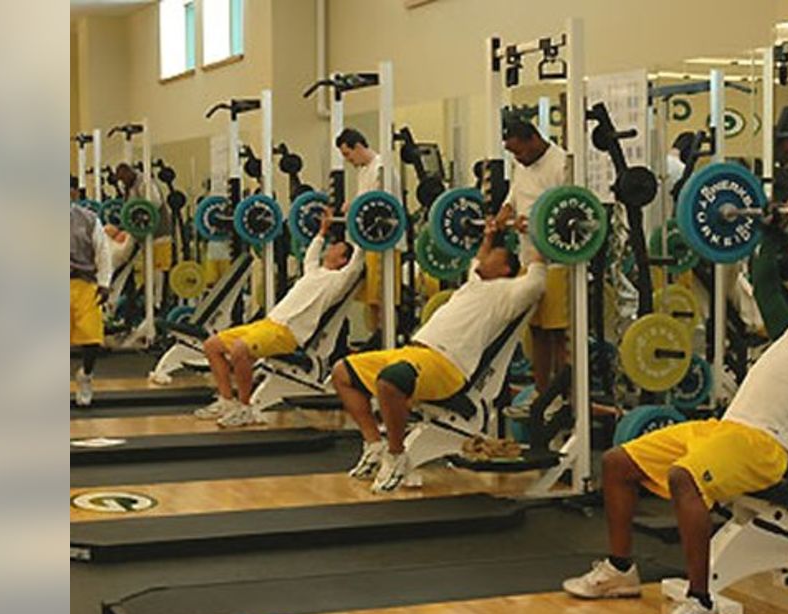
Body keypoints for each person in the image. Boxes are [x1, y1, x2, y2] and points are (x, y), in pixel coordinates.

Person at [561, 205, 788, 614]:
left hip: (767, 447)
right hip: (723, 427)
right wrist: (771, 235)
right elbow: (768, 285)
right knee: (618, 463)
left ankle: (702, 606)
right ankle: (621, 570)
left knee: (684, 479)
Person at [333, 229, 545, 491]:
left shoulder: (511, 293)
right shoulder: (474, 283)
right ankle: (374, 444)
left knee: (391, 382)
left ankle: (397, 455)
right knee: (342, 372)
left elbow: (536, 281)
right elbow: (477, 258)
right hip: (414, 351)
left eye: (493, 256)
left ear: (504, 268)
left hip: (446, 365)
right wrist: (489, 235)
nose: (484, 258)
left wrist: (535, 236)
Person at [195, 208, 364, 427]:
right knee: (211, 345)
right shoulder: (313, 270)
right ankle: (227, 401)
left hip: (287, 333)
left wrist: (359, 233)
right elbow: (313, 251)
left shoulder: (338, 281)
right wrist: (323, 230)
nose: (329, 248)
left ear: (342, 260)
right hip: (267, 324)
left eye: (335, 248)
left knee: (239, 350)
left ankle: (245, 408)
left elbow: (356, 264)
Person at [491, 119, 569, 395]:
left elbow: (569, 210)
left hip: (557, 262)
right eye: (512, 153)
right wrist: (505, 212)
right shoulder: (521, 164)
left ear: (534, 138)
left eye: (519, 151)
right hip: (528, 259)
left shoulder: (561, 164)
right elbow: (515, 196)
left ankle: (565, 396)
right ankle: (542, 393)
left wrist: (537, 224)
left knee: (558, 334)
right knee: (535, 331)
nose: (517, 158)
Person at [335, 128, 395, 340]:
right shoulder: (363, 170)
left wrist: (354, 205)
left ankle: (386, 339)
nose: (348, 160)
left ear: (358, 147)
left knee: (382, 299)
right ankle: (377, 338)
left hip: (384, 242)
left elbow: (379, 204)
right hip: (366, 241)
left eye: (347, 154)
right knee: (371, 300)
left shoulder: (381, 167)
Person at [70, 188, 121, 407]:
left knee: (92, 340)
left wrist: (104, 283)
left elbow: (103, 252)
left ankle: (86, 376)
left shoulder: (89, 220)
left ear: (72, 193)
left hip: (85, 284)